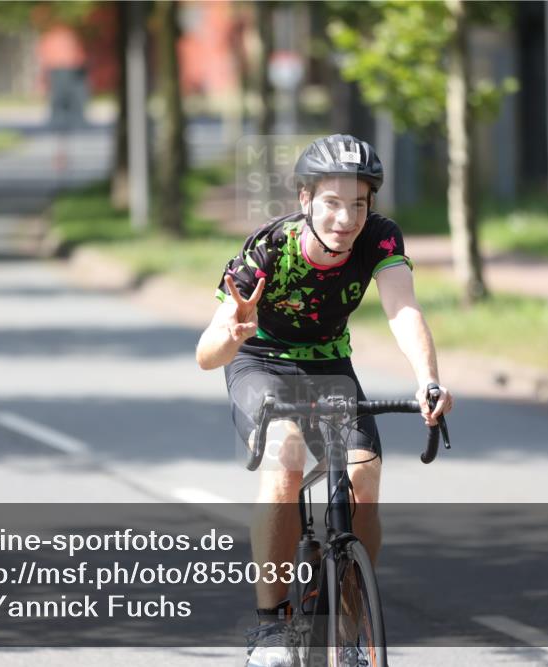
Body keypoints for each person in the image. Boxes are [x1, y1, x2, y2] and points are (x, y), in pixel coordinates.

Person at [195, 134, 453, 667]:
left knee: (364, 474)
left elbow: (403, 309)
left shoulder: (379, 238)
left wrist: (428, 379)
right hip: (260, 362)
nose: (346, 218)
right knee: (287, 457)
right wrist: (232, 335)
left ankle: (351, 629)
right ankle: (270, 627)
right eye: (333, 202)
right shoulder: (269, 248)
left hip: (329, 364)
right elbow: (205, 354)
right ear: (306, 199)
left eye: (359, 203)